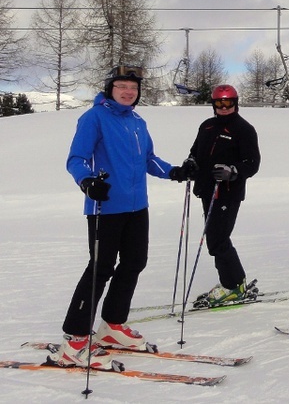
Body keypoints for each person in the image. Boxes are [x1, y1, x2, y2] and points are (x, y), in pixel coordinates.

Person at [55, 65, 188, 369]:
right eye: (122, 86)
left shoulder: (138, 122)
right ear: (109, 89)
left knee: (134, 262)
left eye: (133, 87)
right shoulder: (94, 118)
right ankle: (74, 340)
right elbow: (76, 159)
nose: (128, 92)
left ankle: (112, 326)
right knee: (100, 269)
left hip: (137, 207)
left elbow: (149, 159)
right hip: (105, 206)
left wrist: (175, 172)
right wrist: (87, 181)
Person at [187, 84, 261, 308]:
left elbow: (252, 163)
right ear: (213, 105)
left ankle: (233, 285)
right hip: (207, 190)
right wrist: (190, 163)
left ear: (236, 103)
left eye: (228, 102)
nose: (224, 107)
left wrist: (234, 171)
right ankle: (234, 282)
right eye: (219, 103)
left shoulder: (244, 129)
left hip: (228, 192)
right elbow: (195, 151)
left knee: (218, 239)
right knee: (215, 238)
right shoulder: (207, 126)